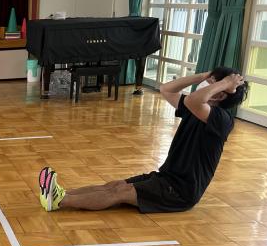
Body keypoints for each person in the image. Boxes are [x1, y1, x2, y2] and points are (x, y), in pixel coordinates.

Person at [38, 67, 249, 213]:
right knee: (115, 185)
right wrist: (204, 75)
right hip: (166, 177)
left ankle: (60, 201)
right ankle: (60, 193)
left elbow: (195, 100)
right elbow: (167, 89)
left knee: (120, 192)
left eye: (212, 84)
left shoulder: (222, 120)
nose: (205, 85)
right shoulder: (195, 109)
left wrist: (224, 83)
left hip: (181, 192)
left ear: (220, 94)